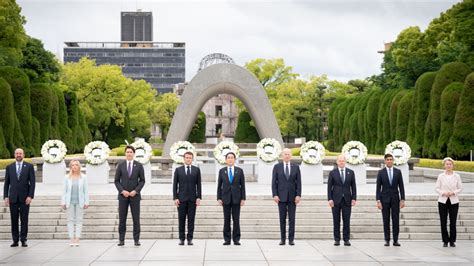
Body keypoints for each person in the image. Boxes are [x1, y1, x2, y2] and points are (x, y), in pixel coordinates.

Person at [3, 148, 36, 247]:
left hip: (25, 198)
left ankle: (23, 239)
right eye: (17, 153)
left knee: (24, 220)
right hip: (13, 198)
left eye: (20, 153)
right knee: (14, 220)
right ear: (14, 155)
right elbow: (6, 183)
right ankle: (15, 240)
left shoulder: (29, 167)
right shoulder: (9, 167)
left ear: (23, 155)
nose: (18, 155)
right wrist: (5, 196)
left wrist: (30, 196)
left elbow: (32, 183)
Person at [114, 145, 145, 246]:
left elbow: (142, 181)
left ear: (133, 154)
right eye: (127, 152)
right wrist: (122, 191)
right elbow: (116, 181)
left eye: (131, 152)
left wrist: (136, 191)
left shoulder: (139, 165)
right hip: (123, 196)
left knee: (136, 218)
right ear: (125, 153)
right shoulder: (121, 165)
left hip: (135, 196)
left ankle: (136, 239)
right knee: (122, 218)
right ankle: (121, 239)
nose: (129, 154)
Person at [272, 148, 301, 246]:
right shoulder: (277, 167)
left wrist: (298, 195)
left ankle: (291, 239)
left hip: (293, 198)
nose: (287, 156)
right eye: (285, 154)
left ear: (291, 156)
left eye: (288, 154)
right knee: (282, 219)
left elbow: (299, 183)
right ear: (282, 155)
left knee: (292, 219)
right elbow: (274, 182)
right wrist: (275, 194)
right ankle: (283, 239)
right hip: (281, 197)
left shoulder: (296, 167)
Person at [173, 151, 202, 246]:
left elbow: (199, 185)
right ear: (184, 159)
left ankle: (190, 238)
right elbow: (175, 185)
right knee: (181, 219)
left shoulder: (196, 170)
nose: (188, 159)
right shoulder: (178, 170)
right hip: (181, 199)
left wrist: (199, 197)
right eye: (187, 157)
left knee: (191, 220)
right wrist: (175, 198)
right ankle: (181, 238)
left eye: (190, 158)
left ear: (192, 159)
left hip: (192, 199)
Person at [376, 153, 405, 247]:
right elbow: (378, 188)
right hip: (384, 200)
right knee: (386, 220)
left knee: (395, 220)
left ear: (393, 160)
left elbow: (401, 186)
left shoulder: (398, 172)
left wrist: (402, 199)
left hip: (395, 199)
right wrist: (378, 200)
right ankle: (387, 240)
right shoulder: (381, 172)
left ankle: (395, 240)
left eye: (390, 159)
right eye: (387, 159)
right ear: (385, 161)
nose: (389, 161)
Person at [217, 152, 246, 245]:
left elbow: (243, 186)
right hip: (225, 198)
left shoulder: (239, 171)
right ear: (226, 160)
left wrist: (243, 198)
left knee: (236, 219)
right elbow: (219, 186)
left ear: (234, 159)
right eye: (228, 158)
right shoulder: (222, 171)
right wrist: (219, 197)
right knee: (226, 219)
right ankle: (227, 239)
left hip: (237, 199)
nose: (230, 159)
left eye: (232, 158)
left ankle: (236, 239)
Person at [327, 154, 356, 246]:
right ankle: (337, 239)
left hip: (347, 200)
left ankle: (346, 239)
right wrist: (330, 199)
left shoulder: (351, 172)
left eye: (343, 161)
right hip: (335, 200)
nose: (341, 162)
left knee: (346, 220)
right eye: (339, 161)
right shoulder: (333, 173)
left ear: (345, 161)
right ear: (337, 162)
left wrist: (354, 198)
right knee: (336, 220)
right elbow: (329, 187)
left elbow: (353, 186)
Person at [435, 157, 463, 247]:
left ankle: (452, 241)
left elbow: (460, 188)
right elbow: (437, 188)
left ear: (453, 165)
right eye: (447, 164)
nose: (448, 166)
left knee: (453, 221)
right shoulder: (440, 176)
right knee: (443, 221)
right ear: (444, 165)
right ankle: (445, 240)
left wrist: (453, 193)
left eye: (450, 164)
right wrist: (443, 193)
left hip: (454, 200)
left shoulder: (457, 176)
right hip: (443, 200)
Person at [61, 160, 89, 246]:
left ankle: (77, 238)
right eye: (73, 165)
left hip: (80, 202)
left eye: (76, 165)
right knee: (70, 220)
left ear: (79, 166)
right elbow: (64, 191)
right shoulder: (66, 178)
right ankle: (71, 239)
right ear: (70, 167)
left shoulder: (83, 177)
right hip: (69, 202)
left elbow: (86, 191)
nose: (74, 166)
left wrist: (86, 202)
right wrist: (63, 202)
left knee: (79, 220)